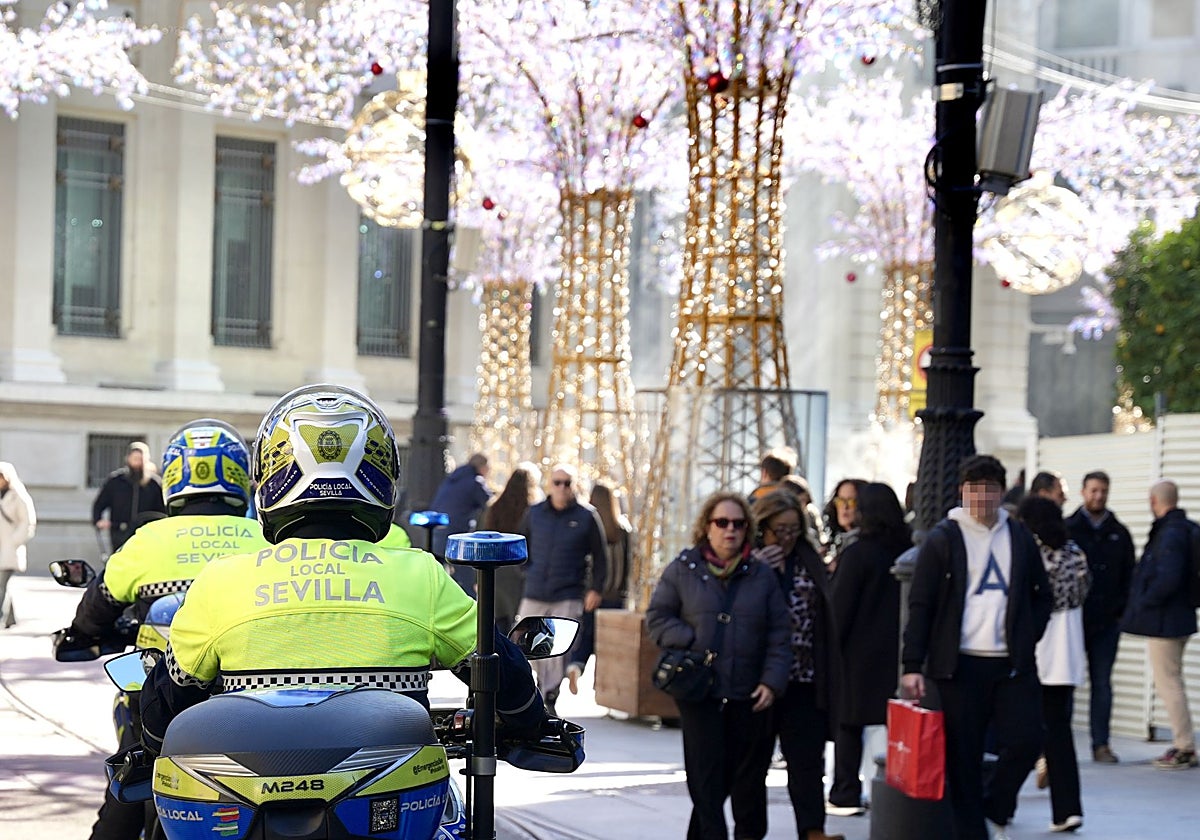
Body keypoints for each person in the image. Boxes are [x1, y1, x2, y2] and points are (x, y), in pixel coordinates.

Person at [141, 385, 544, 756]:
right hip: (390, 805)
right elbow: (505, 676)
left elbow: (163, 711)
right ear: (383, 478)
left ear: (267, 481)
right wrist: (530, 724)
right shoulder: (418, 574)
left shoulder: (221, 580)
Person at [69, 420, 270, 840]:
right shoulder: (265, 537)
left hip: (159, 694)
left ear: (173, 477)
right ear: (240, 476)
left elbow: (97, 605)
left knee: (127, 789)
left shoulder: (148, 539)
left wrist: (81, 633)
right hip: (250, 697)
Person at [900, 454, 1052, 840]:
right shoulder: (943, 538)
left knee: (1026, 740)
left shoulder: (1018, 535)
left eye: (989, 490)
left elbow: (1041, 595)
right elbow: (922, 603)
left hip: (1011, 663)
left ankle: (995, 806)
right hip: (958, 665)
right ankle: (972, 832)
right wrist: (913, 663)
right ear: (962, 492)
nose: (981, 498)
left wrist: (1026, 633)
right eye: (974, 490)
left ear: (1001, 492)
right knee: (962, 759)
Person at [646, 491, 792, 840]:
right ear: (706, 527)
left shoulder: (761, 576)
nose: (731, 530)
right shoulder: (684, 569)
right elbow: (657, 619)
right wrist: (695, 638)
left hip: (748, 692)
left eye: (739, 524)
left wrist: (772, 682)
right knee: (706, 780)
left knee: (746, 784)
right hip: (700, 691)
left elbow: (779, 633)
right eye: (722, 522)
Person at [736, 490, 843, 840]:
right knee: (752, 763)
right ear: (761, 527)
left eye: (793, 529)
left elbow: (823, 610)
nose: (786, 537)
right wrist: (760, 572)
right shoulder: (748, 562)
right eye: (779, 529)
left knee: (808, 762)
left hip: (804, 676)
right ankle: (749, 833)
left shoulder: (807, 558)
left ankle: (813, 830)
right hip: (759, 678)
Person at [827, 482, 912, 817]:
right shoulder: (908, 549)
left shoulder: (857, 553)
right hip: (898, 654)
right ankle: (896, 787)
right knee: (895, 723)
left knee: (850, 722)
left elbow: (839, 608)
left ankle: (846, 791)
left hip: (858, 654)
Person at [1016, 495, 1090, 834]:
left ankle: (998, 801)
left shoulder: (1032, 555)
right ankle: (1068, 808)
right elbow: (1084, 593)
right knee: (1059, 732)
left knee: (1021, 732)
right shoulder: (1076, 555)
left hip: (1039, 650)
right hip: (1069, 651)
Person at [517, 463, 607, 715]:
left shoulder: (587, 516)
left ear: (574, 486)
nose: (561, 488)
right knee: (526, 642)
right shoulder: (534, 513)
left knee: (559, 646)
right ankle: (538, 685)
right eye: (557, 482)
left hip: (569, 591)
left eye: (567, 483)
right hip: (535, 590)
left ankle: (550, 694)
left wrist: (596, 589)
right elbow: (521, 544)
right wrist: (525, 571)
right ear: (549, 485)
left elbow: (601, 557)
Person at [1120, 479, 1197, 770]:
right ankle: (1184, 743)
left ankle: (1184, 746)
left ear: (1154, 501)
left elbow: (1168, 577)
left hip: (1167, 621)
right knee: (1172, 680)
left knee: (1169, 683)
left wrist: (1144, 600)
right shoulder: (1184, 529)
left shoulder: (1170, 534)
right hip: (1178, 617)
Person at [1064, 470, 1135, 763]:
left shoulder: (1119, 532)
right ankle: (1058, 743)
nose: (1098, 496)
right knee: (1065, 682)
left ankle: (1100, 744)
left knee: (1102, 683)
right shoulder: (1069, 528)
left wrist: (1121, 612)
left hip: (1107, 621)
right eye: (1093, 490)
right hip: (1074, 620)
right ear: (1083, 492)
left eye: (1103, 491)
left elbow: (1130, 575)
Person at [564, 480, 633, 695]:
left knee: (586, 637)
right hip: (616, 596)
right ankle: (601, 684)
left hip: (593, 594)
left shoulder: (588, 523)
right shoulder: (624, 529)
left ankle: (576, 666)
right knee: (608, 643)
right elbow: (629, 564)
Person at [481, 462, 542, 633]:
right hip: (519, 572)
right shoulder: (534, 510)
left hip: (496, 571)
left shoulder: (494, 506)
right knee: (519, 626)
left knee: (497, 625)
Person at [429, 451, 493, 591]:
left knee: (436, 581)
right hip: (456, 538)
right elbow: (489, 503)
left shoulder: (453, 479)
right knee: (466, 582)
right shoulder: (475, 482)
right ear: (482, 467)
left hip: (436, 534)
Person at [92, 442, 166, 553]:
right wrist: (98, 520)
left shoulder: (154, 484)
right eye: (134, 458)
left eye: (140, 459)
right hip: (120, 531)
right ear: (128, 458)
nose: (137, 462)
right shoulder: (115, 481)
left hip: (146, 534)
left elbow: (162, 510)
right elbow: (99, 504)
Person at [0, 462, 36, 629]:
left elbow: (28, 522)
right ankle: (10, 619)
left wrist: (15, 540)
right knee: (3, 585)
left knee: (1, 584)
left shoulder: (19, 496)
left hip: (10, 548)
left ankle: (1, 618)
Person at [822, 478, 866, 573]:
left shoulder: (864, 546)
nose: (845, 507)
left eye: (851, 501)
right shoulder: (841, 542)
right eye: (840, 501)